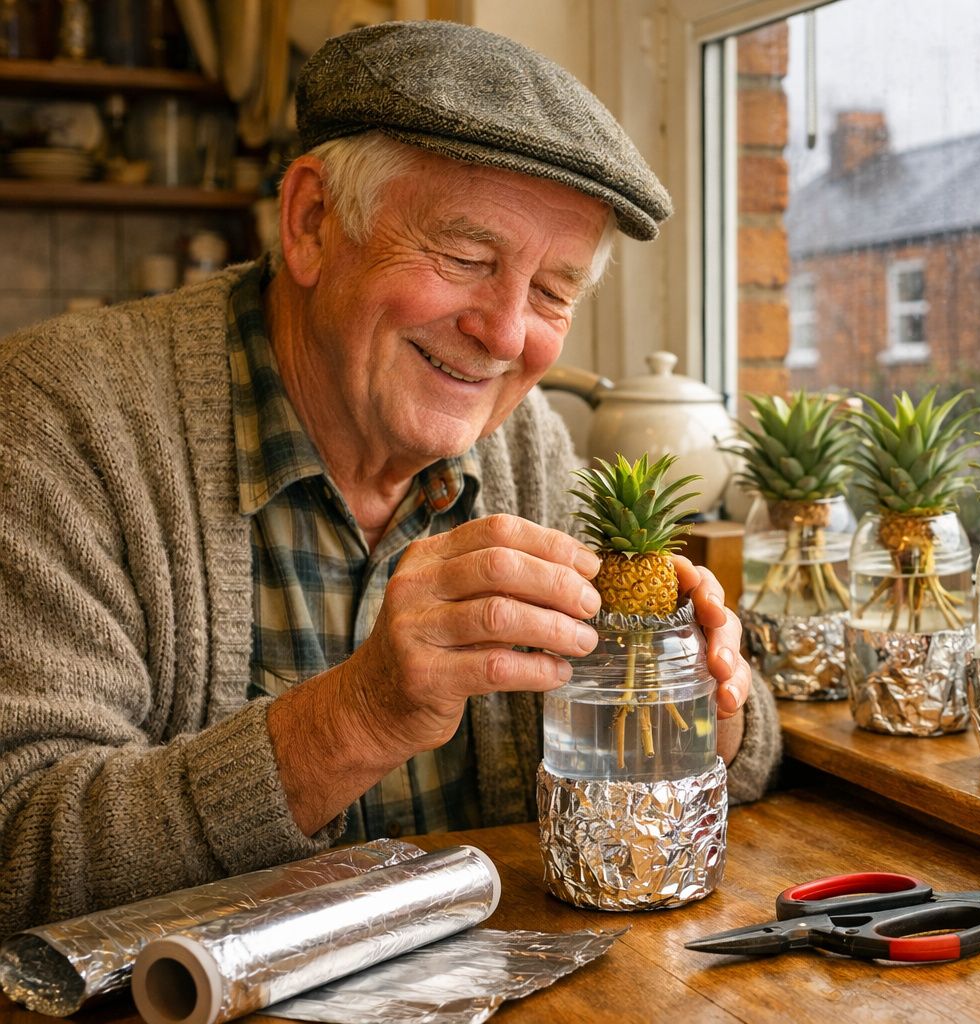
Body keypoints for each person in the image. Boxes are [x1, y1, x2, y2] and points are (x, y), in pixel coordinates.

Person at [0, 22, 780, 935]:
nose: (504, 333)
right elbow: (18, 848)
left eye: (553, 293)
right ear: (312, 223)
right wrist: (357, 716)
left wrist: (700, 711)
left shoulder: (527, 447)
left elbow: (747, 748)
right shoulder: (62, 417)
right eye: (465, 259)